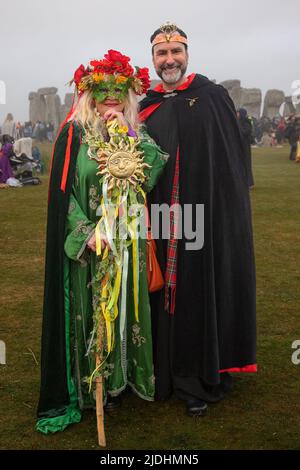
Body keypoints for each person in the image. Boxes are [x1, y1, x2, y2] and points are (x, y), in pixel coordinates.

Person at [36, 49, 168, 434]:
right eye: (103, 89)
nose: (110, 96)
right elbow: (65, 196)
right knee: (91, 310)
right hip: (92, 243)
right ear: (89, 93)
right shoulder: (73, 134)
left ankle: (117, 382)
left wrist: (127, 133)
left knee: (123, 309)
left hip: (127, 240)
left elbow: (154, 169)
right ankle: (88, 383)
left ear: (128, 93)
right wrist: (86, 231)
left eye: (118, 90)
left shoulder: (135, 131)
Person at [139, 23, 256, 417]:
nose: (169, 60)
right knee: (157, 291)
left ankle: (196, 376)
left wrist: (226, 212)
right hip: (156, 220)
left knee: (195, 291)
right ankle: (159, 371)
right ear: (152, 59)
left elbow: (231, 161)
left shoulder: (211, 96)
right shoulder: (144, 105)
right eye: (161, 53)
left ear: (187, 54)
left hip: (202, 219)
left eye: (175, 52)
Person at [237, 108, 255, 188]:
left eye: (238, 113)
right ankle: (241, 182)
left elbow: (246, 132)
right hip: (239, 146)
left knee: (246, 164)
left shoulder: (246, 122)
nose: (237, 114)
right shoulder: (239, 122)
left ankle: (249, 183)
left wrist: (238, 128)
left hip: (245, 147)